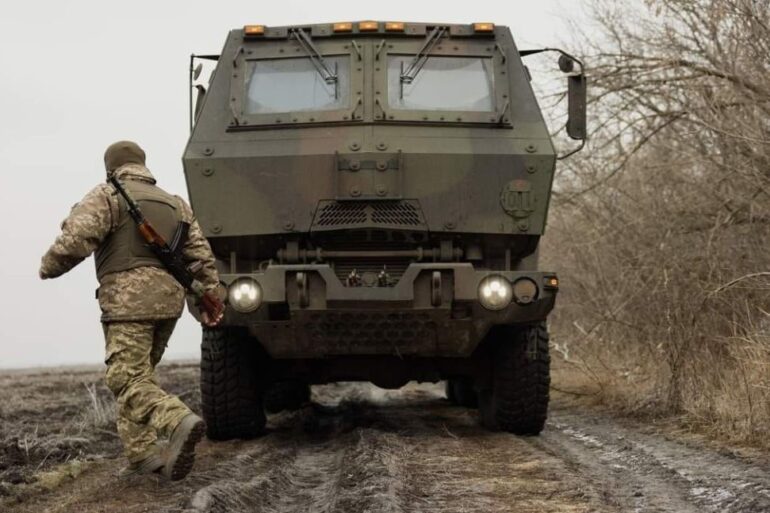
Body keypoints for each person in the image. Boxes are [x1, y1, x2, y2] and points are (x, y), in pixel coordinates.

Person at [39, 140, 222, 480]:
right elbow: (202, 258)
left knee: (126, 378)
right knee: (140, 375)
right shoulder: (176, 204)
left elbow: (75, 239)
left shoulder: (109, 194)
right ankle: (143, 455)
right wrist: (210, 297)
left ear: (111, 167)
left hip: (128, 303)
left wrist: (47, 267)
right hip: (168, 303)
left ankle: (176, 419)